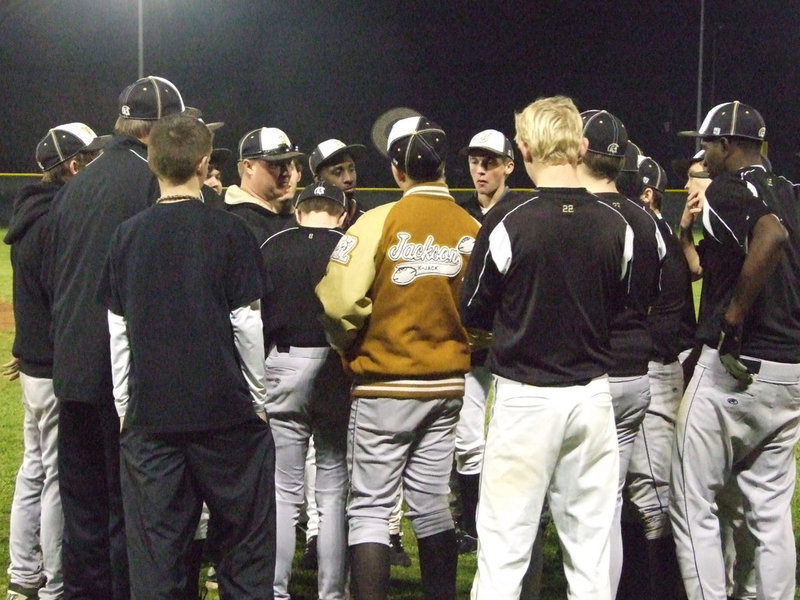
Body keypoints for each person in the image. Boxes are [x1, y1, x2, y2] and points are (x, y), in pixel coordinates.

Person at [95, 113, 276, 599]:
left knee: (157, 562)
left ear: (152, 164)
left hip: (152, 420)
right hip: (227, 418)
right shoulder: (231, 231)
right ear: (202, 164)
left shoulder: (126, 235)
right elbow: (246, 323)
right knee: (245, 553)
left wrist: (123, 406)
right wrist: (257, 398)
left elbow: (118, 330)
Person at [462, 95, 632, 600]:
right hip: (591, 398)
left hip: (526, 398)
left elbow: (473, 312)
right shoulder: (616, 223)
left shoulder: (509, 221)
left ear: (526, 147)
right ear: (580, 147)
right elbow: (620, 305)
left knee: (503, 553)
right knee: (591, 559)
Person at [316, 113, 478, 600]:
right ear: (444, 168)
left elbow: (339, 301)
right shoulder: (473, 225)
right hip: (447, 382)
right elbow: (488, 313)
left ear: (397, 171)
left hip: (385, 382)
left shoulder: (378, 220)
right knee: (431, 503)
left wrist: (349, 345)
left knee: (369, 506)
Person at [48, 75, 185, 600]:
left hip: (72, 369)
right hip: (123, 374)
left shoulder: (79, 180)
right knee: (128, 513)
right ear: (163, 128)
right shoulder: (150, 179)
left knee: (83, 512)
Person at [670, 101, 798, 600]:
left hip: (736, 367)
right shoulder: (789, 191)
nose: (702, 153)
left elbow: (770, 237)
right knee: (767, 511)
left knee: (692, 499)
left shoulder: (729, 188)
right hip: (788, 370)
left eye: (706, 143)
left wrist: (732, 319)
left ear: (727, 143)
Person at [3, 123, 107, 600]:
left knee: (34, 469)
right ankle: (55, 585)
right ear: (73, 166)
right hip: (52, 362)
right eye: (90, 157)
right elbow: (60, 298)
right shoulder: (55, 221)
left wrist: (24, 348)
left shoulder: (31, 214)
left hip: (33, 361)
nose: (97, 164)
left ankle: (23, 572)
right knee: (57, 479)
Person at [576, 109, 663, 598]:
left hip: (593, 373)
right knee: (607, 501)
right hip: (635, 373)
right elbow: (655, 292)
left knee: (583, 505)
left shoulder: (581, 215)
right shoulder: (645, 219)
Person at [260, 181, 350, 600]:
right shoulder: (351, 244)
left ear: (298, 213)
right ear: (342, 213)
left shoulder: (274, 244)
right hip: (337, 367)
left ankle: (275, 591)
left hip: (282, 362)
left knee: (282, 491)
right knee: (332, 490)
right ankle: (331, 593)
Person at [453, 129, 525, 554]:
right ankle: (471, 523)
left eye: (490, 162)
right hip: (471, 345)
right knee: (467, 440)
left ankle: (515, 517)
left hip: (514, 342)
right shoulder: (460, 214)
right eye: (475, 161)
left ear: (508, 166)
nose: (481, 169)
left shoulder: (523, 211)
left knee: (512, 437)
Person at [623, 156, 689, 599]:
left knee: (653, 499)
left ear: (647, 193)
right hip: (655, 368)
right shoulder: (653, 231)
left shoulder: (652, 235)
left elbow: (665, 323)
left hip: (654, 370)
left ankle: (664, 589)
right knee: (636, 495)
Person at [224, 127, 304, 244]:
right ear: (249, 167)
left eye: (288, 164)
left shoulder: (288, 215)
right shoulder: (235, 221)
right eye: (275, 165)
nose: (286, 173)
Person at [309, 138, 366, 226]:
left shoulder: (370, 219)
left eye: (351, 169)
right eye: (338, 172)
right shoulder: (306, 223)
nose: (349, 179)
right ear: (319, 179)